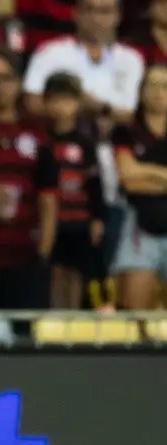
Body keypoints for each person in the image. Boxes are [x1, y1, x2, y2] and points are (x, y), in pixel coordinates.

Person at [0, 47, 59, 311]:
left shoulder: (39, 135)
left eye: (7, 78)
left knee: (27, 345)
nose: (0, 87)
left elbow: (49, 198)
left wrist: (43, 254)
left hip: (26, 259)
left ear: (20, 83)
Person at [22, 0, 144, 124]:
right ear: (76, 13)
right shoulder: (49, 52)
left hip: (118, 138)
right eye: (88, 10)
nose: (95, 18)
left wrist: (98, 108)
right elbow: (33, 103)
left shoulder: (131, 59)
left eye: (104, 11)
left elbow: (129, 114)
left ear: (118, 16)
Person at [44, 73, 108, 309]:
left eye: (67, 100)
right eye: (55, 100)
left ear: (78, 104)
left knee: (77, 272)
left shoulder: (85, 143)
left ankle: (71, 321)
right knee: (55, 271)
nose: (61, 107)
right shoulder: (43, 140)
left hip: (79, 218)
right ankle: (55, 318)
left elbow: (95, 182)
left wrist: (97, 218)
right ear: (45, 103)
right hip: (52, 220)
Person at [111, 63, 167, 309]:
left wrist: (146, 174)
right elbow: (128, 178)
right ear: (142, 91)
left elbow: (136, 174)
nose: (158, 92)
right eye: (152, 85)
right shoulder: (127, 132)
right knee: (135, 314)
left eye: (165, 86)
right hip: (140, 227)